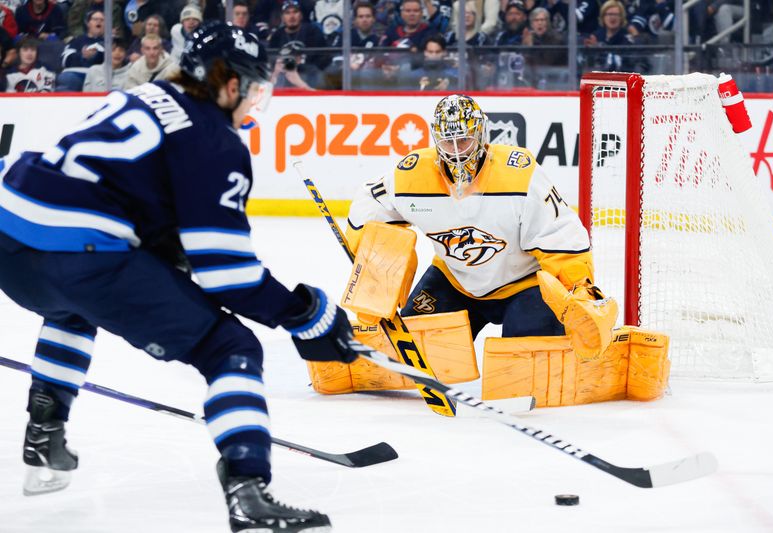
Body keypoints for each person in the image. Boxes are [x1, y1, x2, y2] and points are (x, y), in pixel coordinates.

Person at [0, 22, 358, 532]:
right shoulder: (214, 140)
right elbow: (229, 275)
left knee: (72, 307)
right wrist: (307, 313)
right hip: (81, 249)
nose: (255, 100)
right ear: (229, 83)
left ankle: (45, 430)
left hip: (10, 232)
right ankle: (248, 492)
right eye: (254, 86)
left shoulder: (147, 93)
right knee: (230, 348)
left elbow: (117, 191)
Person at [345, 94, 613, 342]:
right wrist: (375, 268)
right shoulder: (411, 173)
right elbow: (371, 201)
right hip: (455, 280)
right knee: (414, 351)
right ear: (435, 139)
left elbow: (559, 234)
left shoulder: (520, 174)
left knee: (527, 364)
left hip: (525, 283)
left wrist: (579, 288)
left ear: (481, 134)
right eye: (448, 142)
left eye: (463, 140)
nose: (457, 152)